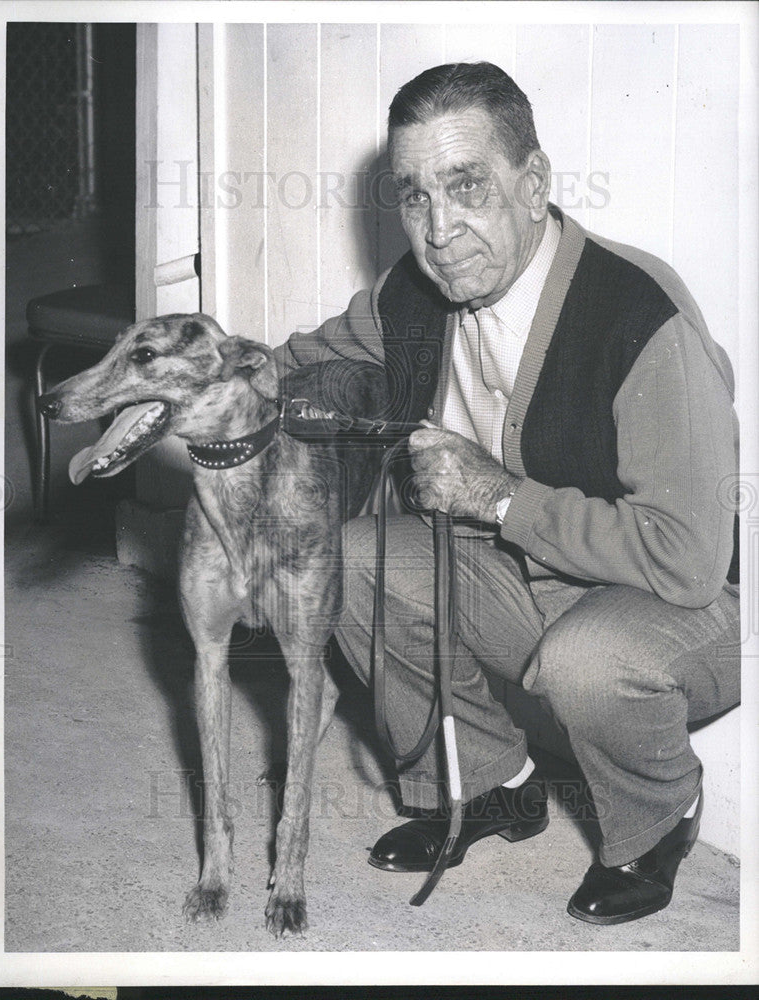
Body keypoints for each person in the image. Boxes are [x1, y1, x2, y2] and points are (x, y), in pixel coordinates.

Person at [275, 62, 740, 924]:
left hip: (684, 611)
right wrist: (206, 383)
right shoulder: (414, 295)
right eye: (414, 197)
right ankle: (486, 787)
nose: (439, 229)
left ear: (534, 185)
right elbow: (304, 361)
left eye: (467, 187)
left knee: (587, 660)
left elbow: (689, 558)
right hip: (524, 581)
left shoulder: (640, 312)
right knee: (347, 559)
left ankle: (657, 818)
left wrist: (495, 496)